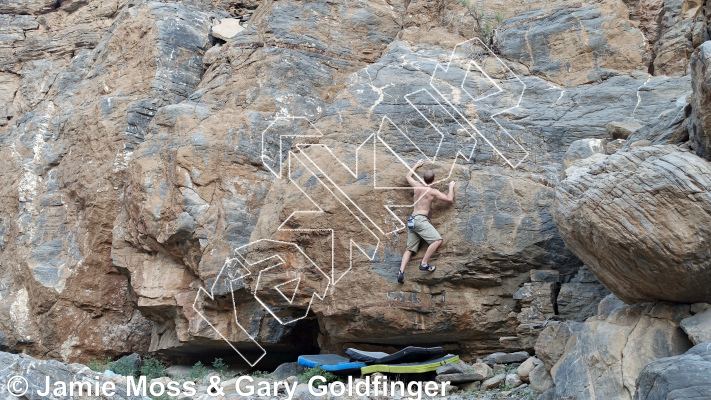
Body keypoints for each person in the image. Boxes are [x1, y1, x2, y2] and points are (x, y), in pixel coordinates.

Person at [397, 159, 456, 283]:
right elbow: (450, 199)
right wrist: (451, 187)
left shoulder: (416, 186)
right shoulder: (433, 192)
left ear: (423, 178)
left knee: (410, 249)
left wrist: (416, 165)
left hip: (412, 221)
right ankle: (424, 263)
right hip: (420, 220)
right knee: (437, 240)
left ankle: (401, 272)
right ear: (433, 180)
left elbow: (408, 176)